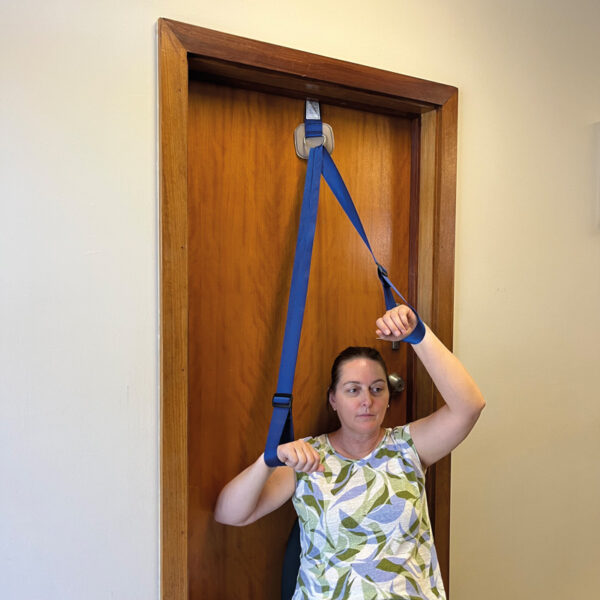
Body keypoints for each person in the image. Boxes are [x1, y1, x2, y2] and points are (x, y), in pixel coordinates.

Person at [214, 305, 485, 599]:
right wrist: (268, 461)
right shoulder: (307, 457)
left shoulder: (408, 446)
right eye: (353, 390)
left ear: (388, 398)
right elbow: (230, 513)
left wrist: (417, 334)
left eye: (377, 389)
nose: (367, 400)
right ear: (333, 399)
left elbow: (469, 406)